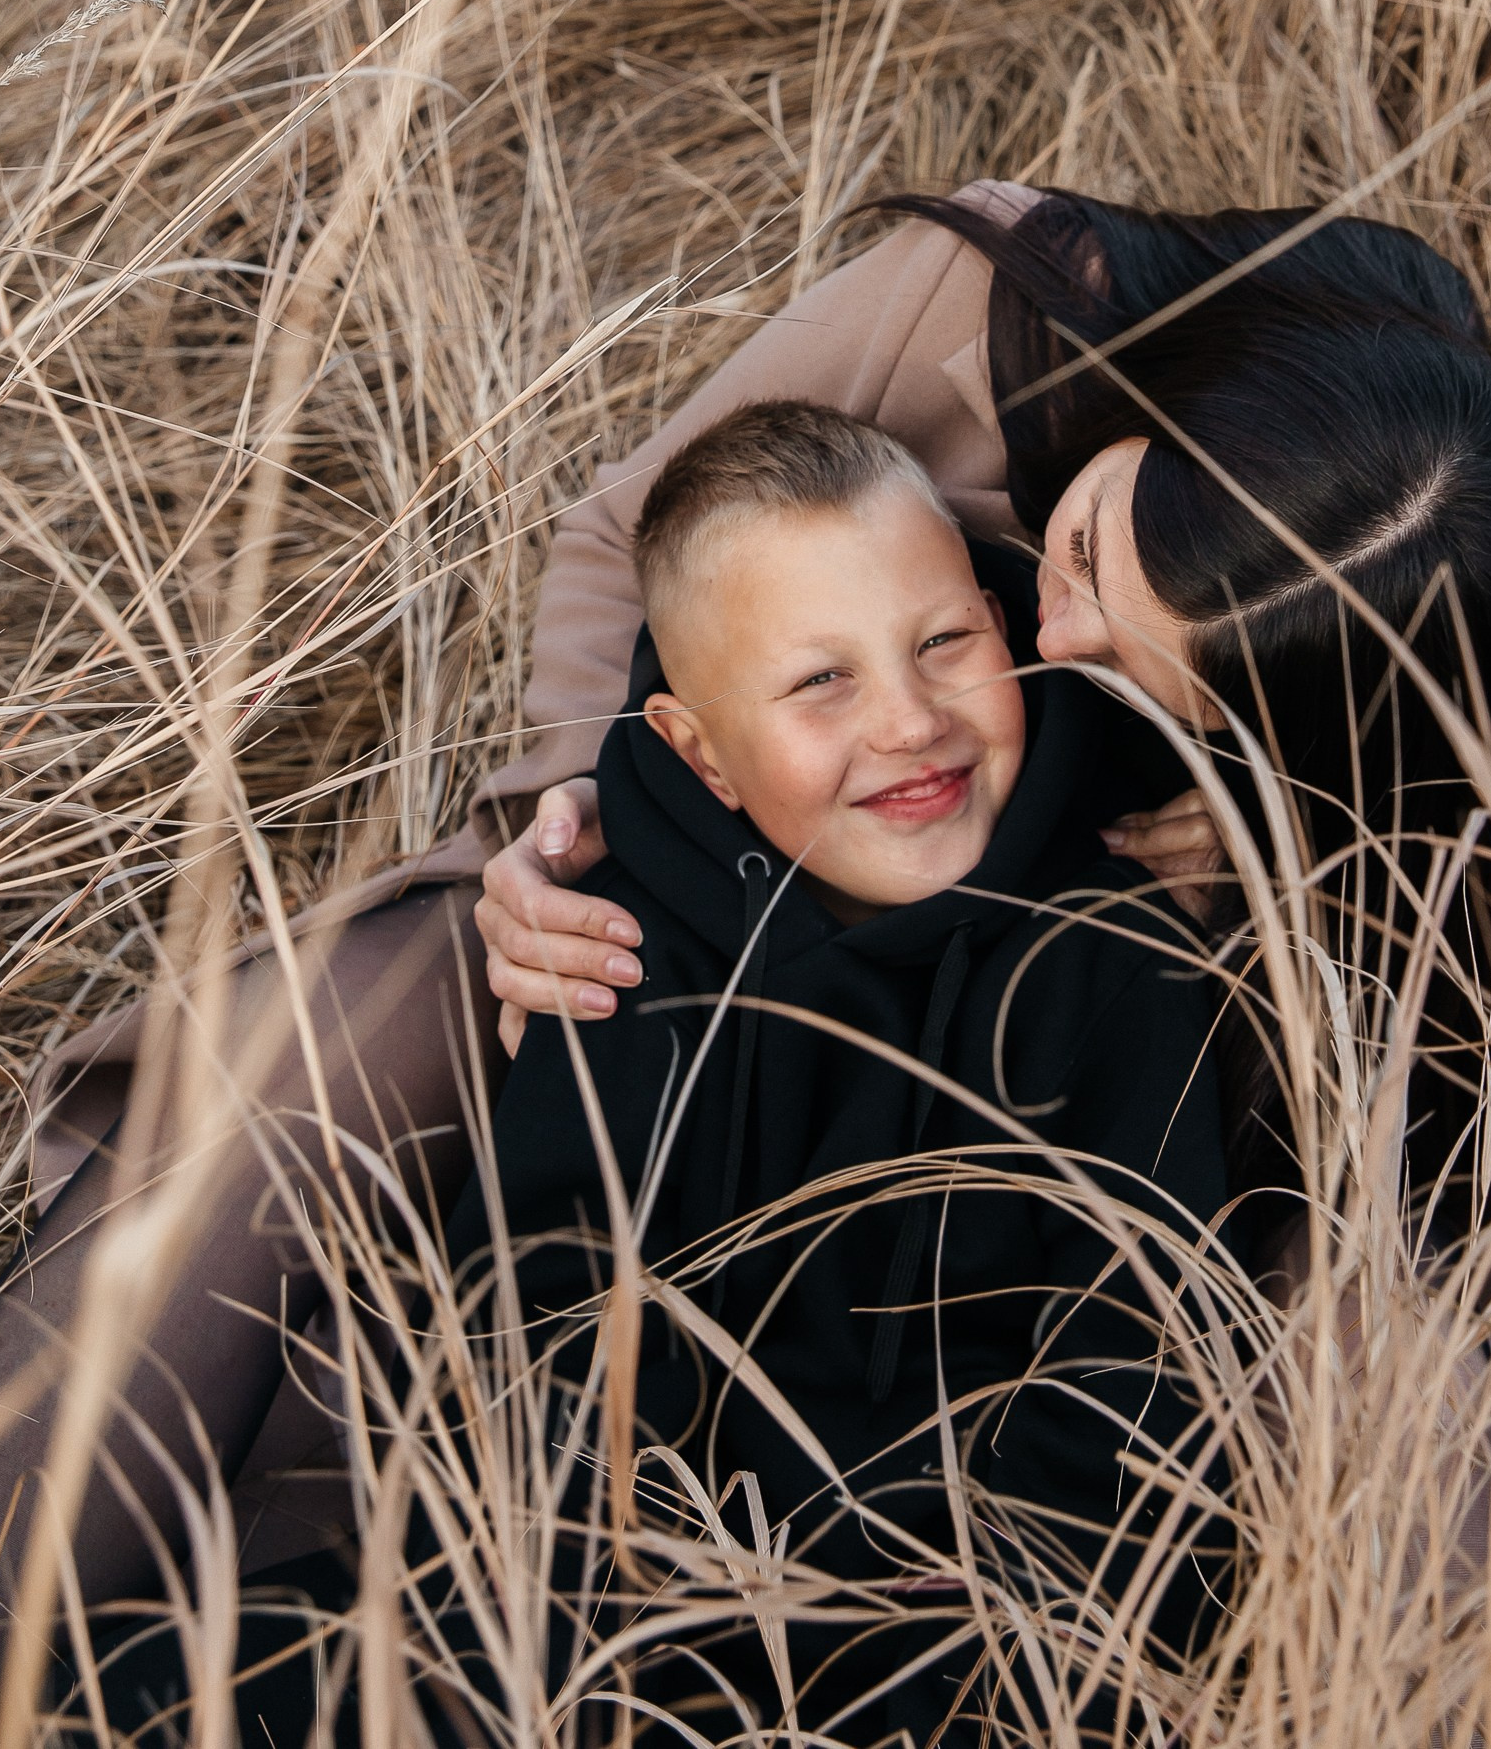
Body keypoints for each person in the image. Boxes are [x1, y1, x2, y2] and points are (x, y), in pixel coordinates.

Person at [0, 181, 1491, 1737]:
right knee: (335, 1038)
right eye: (1072, 556)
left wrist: (1314, 856)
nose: (1048, 636)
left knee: (1437, 1370)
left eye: (1128, 671)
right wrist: (567, 811)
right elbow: (625, 540)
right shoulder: (986, 304)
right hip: (700, 850)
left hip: (1156, 1023)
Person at [430, 398, 1233, 1745]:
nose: (910, 722)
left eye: (943, 644)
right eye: (820, 681)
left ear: (1009, 626)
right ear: (701, 752)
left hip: (975, 1642)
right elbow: (531, 1326)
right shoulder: (619, 960)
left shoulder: (1114, 953)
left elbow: (1137, 1369)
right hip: (627, 1627)